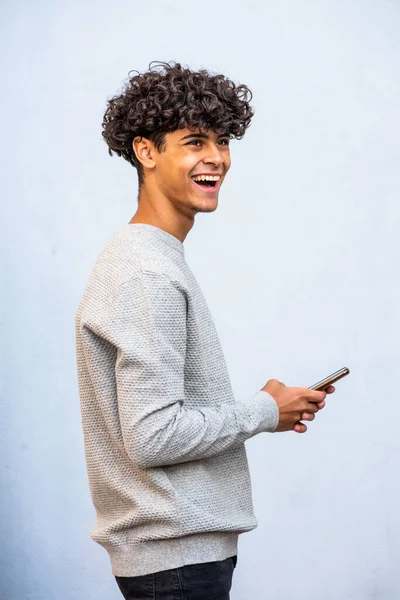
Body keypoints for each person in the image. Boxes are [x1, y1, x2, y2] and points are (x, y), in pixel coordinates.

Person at [75, 61, 335, 600]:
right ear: (146, 152)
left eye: (223, 141)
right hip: (175, 564)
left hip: (174, 558)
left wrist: (272, 407)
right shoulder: (148, 272)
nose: (216, 158)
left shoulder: (147, 258)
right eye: (194, 141)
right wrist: (266, 411)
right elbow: (153, 436)